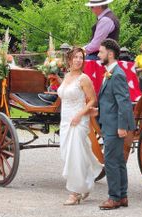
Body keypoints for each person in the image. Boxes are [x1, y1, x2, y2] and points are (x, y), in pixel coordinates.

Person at [57, 47, 102, 205]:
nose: (78, 60)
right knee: (68, 154)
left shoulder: (84, 79)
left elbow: (92, 100)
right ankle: (87, 184)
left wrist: (80, 114)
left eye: (81, 57)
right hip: (65, 120)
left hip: (78, 119)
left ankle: (74, 193)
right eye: (75, 57)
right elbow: (64, 96)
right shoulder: (67, 76)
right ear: (69, 60)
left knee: (74, 156)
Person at [95, 39, 136, 210]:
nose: (98, 55)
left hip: (114, 126)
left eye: (101, 52)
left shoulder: (117, 74)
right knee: (119, 160)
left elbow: (124, 103)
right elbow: (109, 101)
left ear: (110, 54)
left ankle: (114, 198)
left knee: (111, 161)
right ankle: (123, 196)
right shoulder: (110, 72)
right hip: (110, 123)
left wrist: (121, 126)